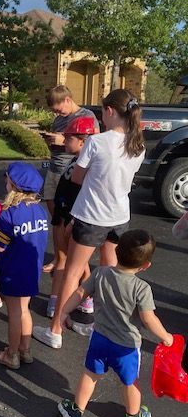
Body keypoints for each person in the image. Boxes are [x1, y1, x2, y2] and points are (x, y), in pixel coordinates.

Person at [33, 89, 146, 350]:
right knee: (110, 273)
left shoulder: (97, 142)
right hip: (119, 216)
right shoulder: (137, 144)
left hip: (92, 215)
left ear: (109, 112)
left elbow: (76, 178)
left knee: (73, 272)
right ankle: (100, 325)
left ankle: (55, 330)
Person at [57, 230, 173, 417]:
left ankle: (75, 412)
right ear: (146, 265)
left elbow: (79, 293)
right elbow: (148, 319)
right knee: (130, 382)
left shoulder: (101, 273)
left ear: (116, 251)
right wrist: (165, 337)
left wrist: (64, 312)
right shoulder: (141, 288)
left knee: (90, 375)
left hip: (100, 339)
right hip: (126, 347)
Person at [0, 163, 48, 369]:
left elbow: (0, 246)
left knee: (14, 312)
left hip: (13, 272)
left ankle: (12, 354)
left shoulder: (9, 214)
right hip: (31, 270)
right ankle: (26, 349)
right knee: (25, 310)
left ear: (13, 185)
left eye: (7, 179)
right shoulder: (40, 211)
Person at [41, 85, 99, 273]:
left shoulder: (86, 115)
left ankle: (72, 263)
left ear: (67, 100)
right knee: (56, 219)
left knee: (67, 220)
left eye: (58, 108)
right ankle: (60, 258)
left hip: (70, 172)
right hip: (54, 169)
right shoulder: (59, 120)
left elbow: (94, 142)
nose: (57, 113)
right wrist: (52, 142)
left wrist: (62, 140)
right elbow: (57, 145)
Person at [47, 116, 96, 320]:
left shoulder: (87, 165)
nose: (65, 142)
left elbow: (85, 195)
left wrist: (73, 221)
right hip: (64, 213)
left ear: (83, 142)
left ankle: (55, 301)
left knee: (63, 259)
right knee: (77, 262)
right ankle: (85, 299)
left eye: (69, 139)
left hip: (70, 216)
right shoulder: (77, 161)